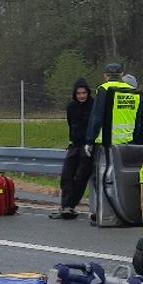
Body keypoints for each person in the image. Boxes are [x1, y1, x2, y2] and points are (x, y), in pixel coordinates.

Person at [51, 79, 95, 219]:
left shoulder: (94, 106)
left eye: (84, 93)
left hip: (88, 145)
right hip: (75, 144)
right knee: (67, 175)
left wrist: (92, 143)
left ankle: (71, 205)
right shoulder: (71, 107)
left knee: (80, 177)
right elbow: (71, 125)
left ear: (88, 93)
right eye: (78, 93)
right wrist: (71, 143)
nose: (81, 96)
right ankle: (65, 206)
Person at [87, 63, 140, 149]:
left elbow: (97, 117)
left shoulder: (104, 89)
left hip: (106, 142)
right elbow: (138, 119)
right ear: (122, 74)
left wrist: (90, 140)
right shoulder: (133, 90)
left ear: (104, 75)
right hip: (128, 142)